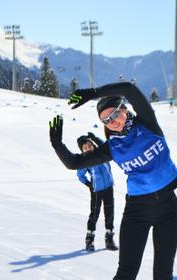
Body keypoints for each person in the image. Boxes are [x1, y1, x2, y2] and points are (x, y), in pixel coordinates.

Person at [49, 82, 177, 280]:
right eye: (106, 120)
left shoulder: (147, 123)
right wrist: (57, 144)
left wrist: (93, 93)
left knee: (163, 274)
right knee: (126, 273)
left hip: (169, 209)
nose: (113, 121)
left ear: (124, 109)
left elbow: (129, 89)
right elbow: (73, 163)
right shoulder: (112, 147)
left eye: (115, 114)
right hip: (137, 212)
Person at [76, 132, 118, 252]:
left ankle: (109, 239)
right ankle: (90, 240)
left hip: (109, 187)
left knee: (109, 213)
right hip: (96, 191)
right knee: (94, 214)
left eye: (89, 145)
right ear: (82, 150)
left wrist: (94, 137)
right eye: (85, 147)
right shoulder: (85, 160)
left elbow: (105, 145)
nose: (88, 148)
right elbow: (80, 175)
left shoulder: (101, 153)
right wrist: (89, 184)